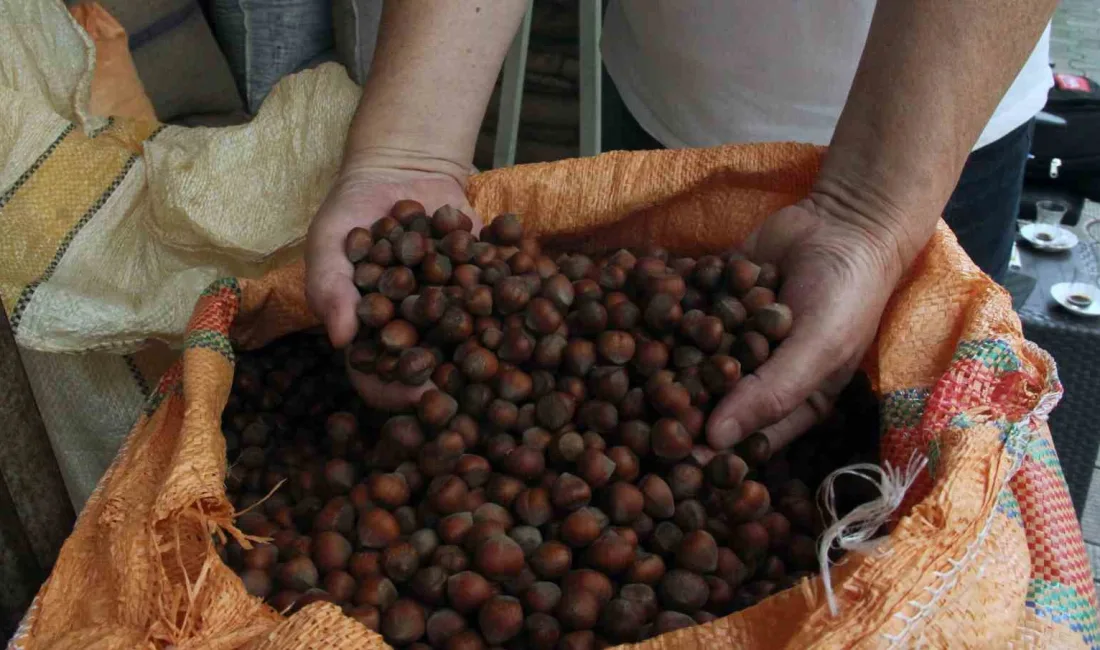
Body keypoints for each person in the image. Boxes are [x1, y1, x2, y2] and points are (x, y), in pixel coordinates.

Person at [305, 1, 1057, 453]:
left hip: (938, 114)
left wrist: (873, 212)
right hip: (670, 80)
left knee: (887, 448)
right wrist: (412, 143)